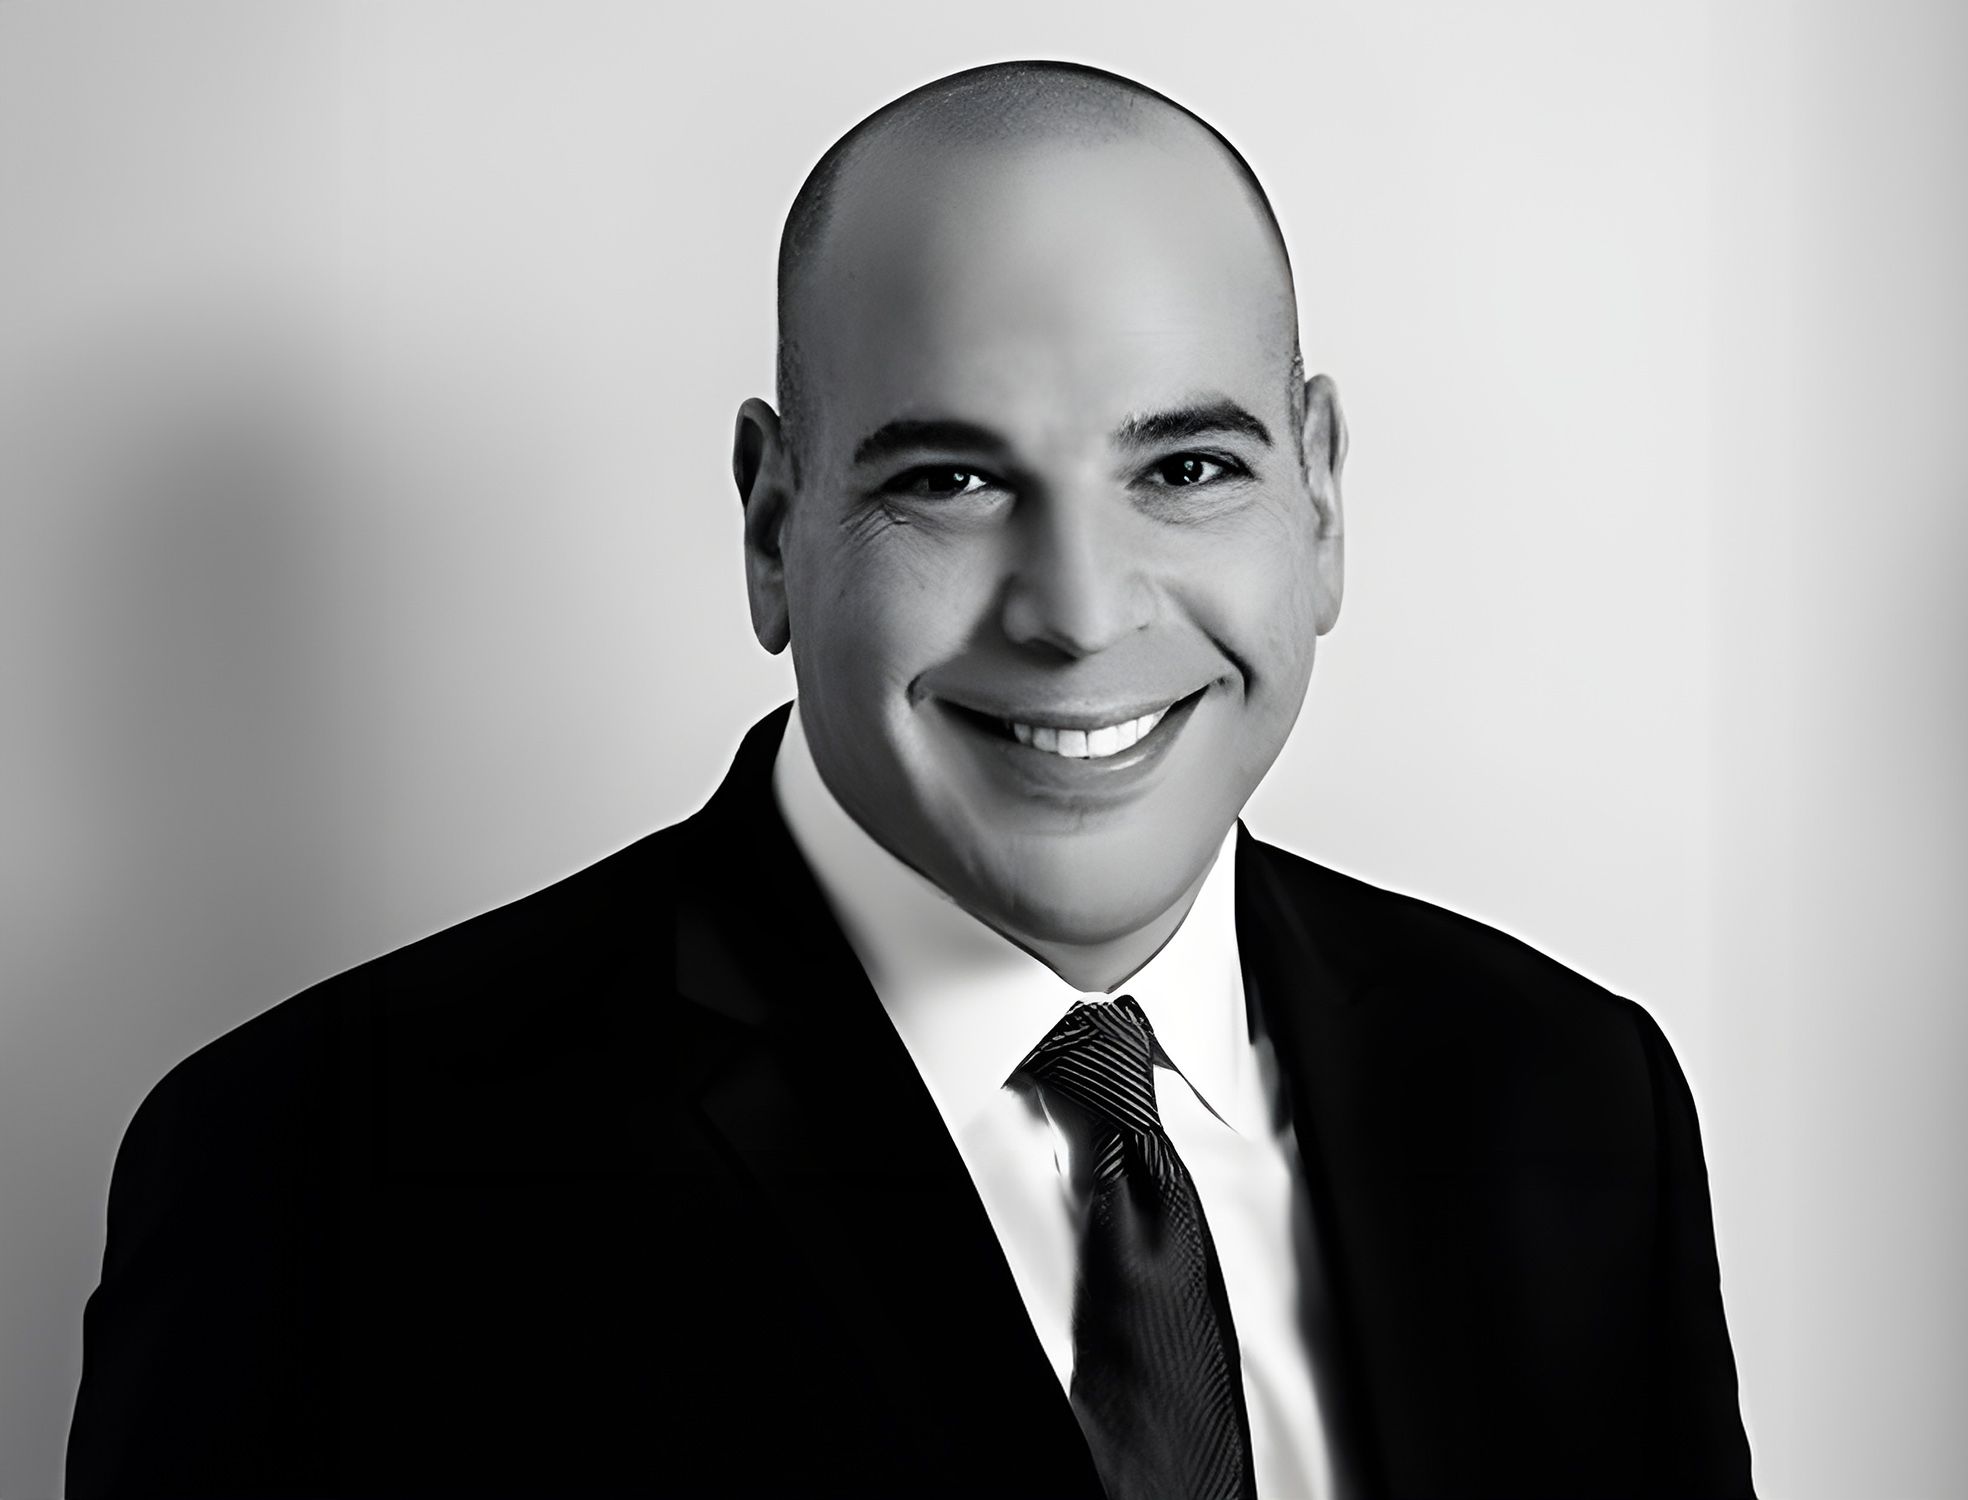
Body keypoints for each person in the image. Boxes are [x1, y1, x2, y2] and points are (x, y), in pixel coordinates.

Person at [65, 61, 1754, 1499]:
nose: (1079, 612)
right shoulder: (325, 1181)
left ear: (1318, 499)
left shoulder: (1567, 1095)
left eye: (1185, 466)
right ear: (771, 526)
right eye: (951, 479)